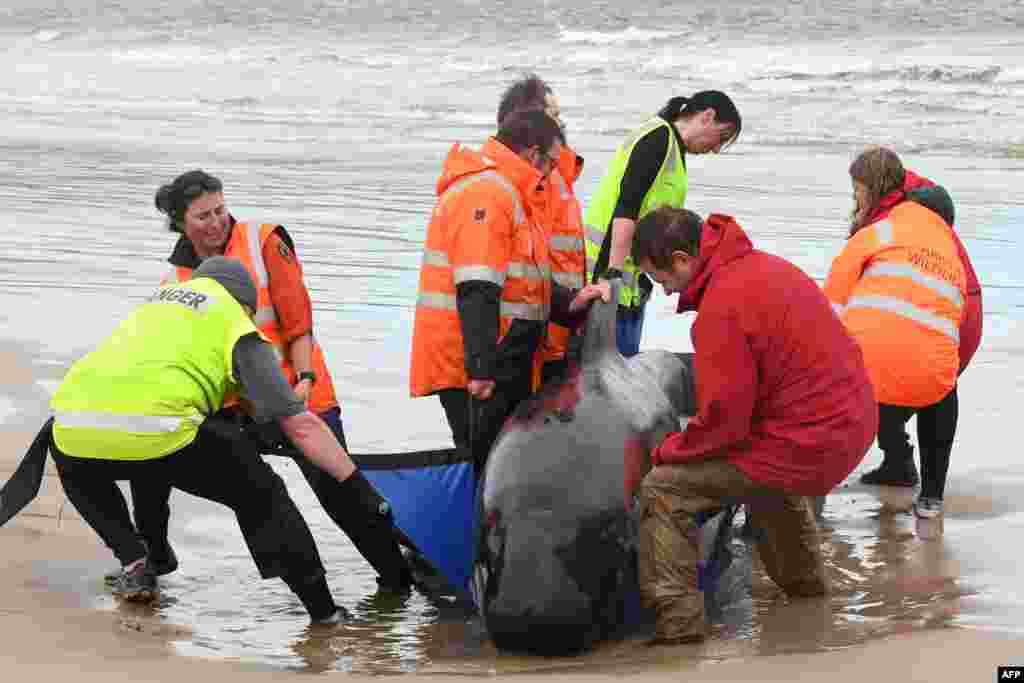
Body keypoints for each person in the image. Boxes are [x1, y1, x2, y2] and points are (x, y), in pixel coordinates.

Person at [120, 170, 411, 592]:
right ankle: (152, 560)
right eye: (203, 216)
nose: (217, 222)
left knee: (339, 492)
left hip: (299, 390)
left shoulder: (264, 241)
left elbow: (298, 322)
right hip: (234, 410)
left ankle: (397, 577)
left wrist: (306, 378)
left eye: (220, 209)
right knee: (154, 466)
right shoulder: (173, 282)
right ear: (181, 223)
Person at [49, 257, 359, 624]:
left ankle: (135, 560)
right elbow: (290, 418)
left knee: (114, 458)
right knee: (263, 494)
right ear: (245, 303)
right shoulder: (235, 321)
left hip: (70, 426)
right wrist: (356, 485)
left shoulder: (154, 305)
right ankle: (323, 611)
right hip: (160, 431)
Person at [630, 207, 877, 645]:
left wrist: (669, 451)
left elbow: (724, 424)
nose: (664, 291)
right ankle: (807, 591)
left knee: (664, 490)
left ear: (683, 259)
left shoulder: (721, 309)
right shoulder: (765, 267)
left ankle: (678, 626)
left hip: (811, 437)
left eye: (660, 277)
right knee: (761, 471)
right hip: (851, 423)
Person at [409, 110, 609, 473]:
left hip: (497, 356)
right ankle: (473, 530)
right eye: (551, 163)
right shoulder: (489, 192)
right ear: (534, 155)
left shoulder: (512, 193)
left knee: (501, 465)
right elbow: (477, 285)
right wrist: (481, 370)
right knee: (486, 468)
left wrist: (569, 303)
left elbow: (523, 280)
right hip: (473, 365)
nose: (552, 175)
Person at [825, 147, 971, 519]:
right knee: (937, 379)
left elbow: (830, 301)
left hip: (868, 383)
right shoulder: (951, 251)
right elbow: (963, 320)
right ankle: (932, 498)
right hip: (929, 379)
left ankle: (817, 483)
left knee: (873, 363)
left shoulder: (879, 230)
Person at [583, 90, 742, 357]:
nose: (716, 148)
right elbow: (627, 207)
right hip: (606, 280)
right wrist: (612, 275)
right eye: (721, 137)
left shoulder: (674, 151)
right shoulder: (658, 138)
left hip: (630, 283)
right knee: (607, 378)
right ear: (707, 116)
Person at [496, 74, 587, 386]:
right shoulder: (535, 178)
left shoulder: (557, 171)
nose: (561, 122)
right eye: (554, 115)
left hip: (563, 321)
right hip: (539, 331)